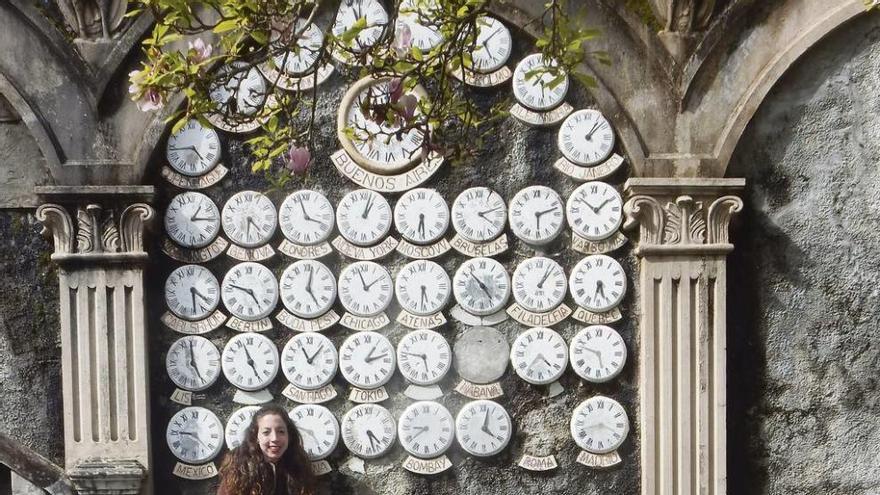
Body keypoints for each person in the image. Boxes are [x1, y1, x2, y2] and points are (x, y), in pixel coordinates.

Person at [217, 404, 318, 495]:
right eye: (266, 432)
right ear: (256, 436)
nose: (274, 438)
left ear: (289, 435)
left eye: (281, 431)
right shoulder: (239, 469)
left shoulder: (299, 466)